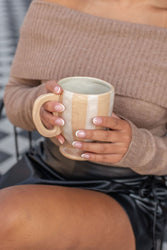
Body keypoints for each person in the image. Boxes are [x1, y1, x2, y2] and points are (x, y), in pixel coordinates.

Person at [1, 0, 167, 249]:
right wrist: (39, 105)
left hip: (130, 193)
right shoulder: (53, 4)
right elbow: (16, 93)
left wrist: (136, 147)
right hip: (42, 168)